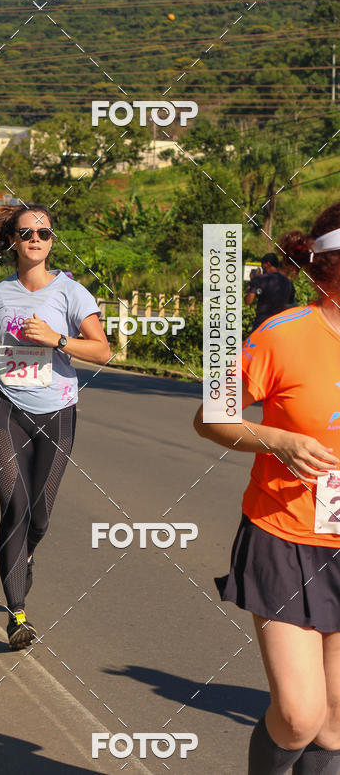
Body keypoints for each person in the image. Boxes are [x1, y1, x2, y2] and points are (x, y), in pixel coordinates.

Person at [195, 202, 340, 774]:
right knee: (301, 715)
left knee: (335, 724)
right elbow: (212, 415)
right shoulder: (283, 335)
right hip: (285, 538)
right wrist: (275, 438)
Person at [0, 205, 110, 650]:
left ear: (52, 239)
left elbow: (103, 352)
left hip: (57, 412)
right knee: (16, 507)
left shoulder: (71, 293)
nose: (36, 238)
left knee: (39, 516)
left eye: (44, 231)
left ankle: (23, 559)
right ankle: (17, 614)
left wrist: (58, 339)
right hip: (7, 408)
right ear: (14, 241)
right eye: (26, 233)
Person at [245, 252, 296, 332]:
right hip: (279, 324)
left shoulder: (260, 279)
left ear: (267, 264)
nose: (262, 268)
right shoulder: (288, 282)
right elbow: (291, 303)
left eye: (262, 265)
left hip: (262, 323)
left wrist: (252, 281)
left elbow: (248, 301)